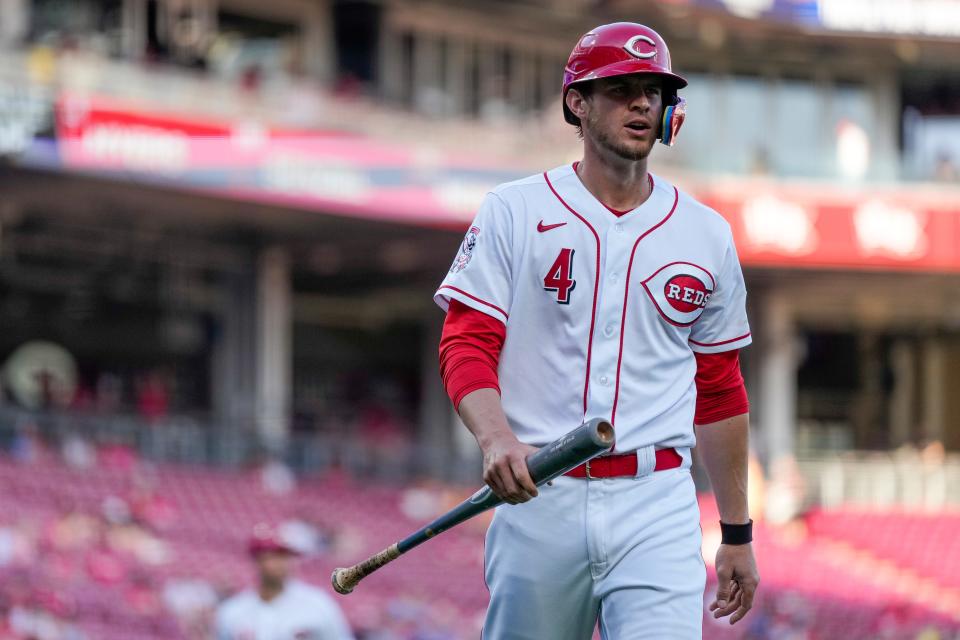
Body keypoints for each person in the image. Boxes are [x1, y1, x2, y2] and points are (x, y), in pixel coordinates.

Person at [435, 23, 759, 639]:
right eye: (620, 89)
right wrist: (496, 438)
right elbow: (466, 341)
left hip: (656, 498)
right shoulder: (515, 208)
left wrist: (737, 534)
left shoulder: (706, 233)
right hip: (539, 493)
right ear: (576, 103)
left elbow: (719, 389)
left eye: (654, 91)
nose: (642, 102)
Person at [215, 523, 354, 640]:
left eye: (286, 557)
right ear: (257, 560)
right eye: (274, 556)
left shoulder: (318, 604)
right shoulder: (233, 611)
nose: (282, 564)